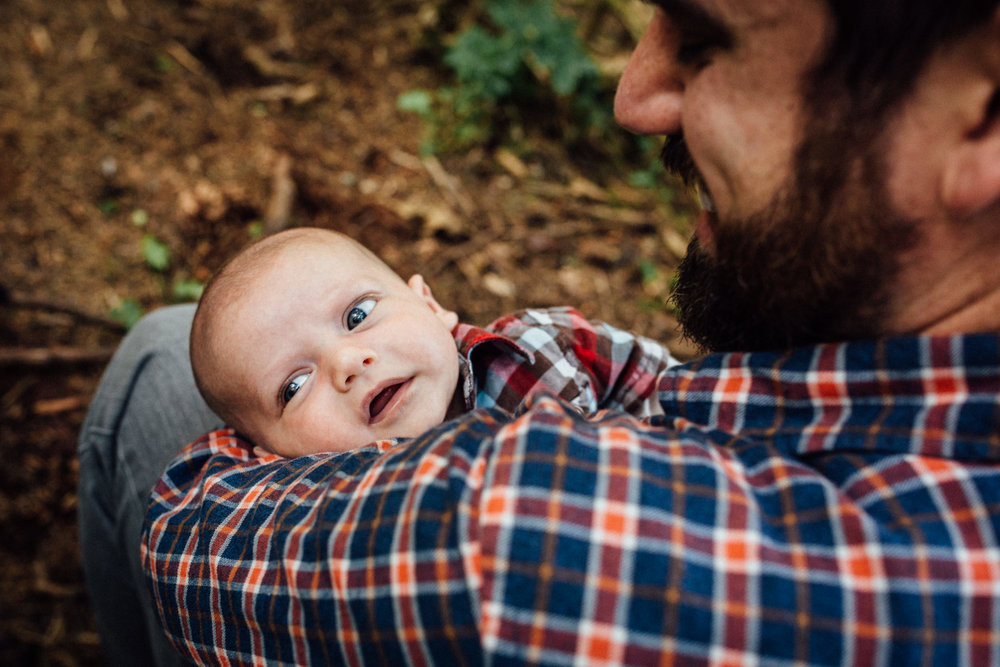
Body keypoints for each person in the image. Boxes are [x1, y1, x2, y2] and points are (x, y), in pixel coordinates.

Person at [78, 0, 1000, 664]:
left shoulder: (534, 536)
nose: (633, 98)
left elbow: (184, 527)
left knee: (159, 364)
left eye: (707, 38)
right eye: (295, 385)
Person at [190, 227, 673, 458]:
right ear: (270, 454)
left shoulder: (543, 348)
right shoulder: (324, 519)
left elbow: (661, 385)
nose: (346, 362)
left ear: (428, 303)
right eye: (294, 386)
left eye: (357, 315)